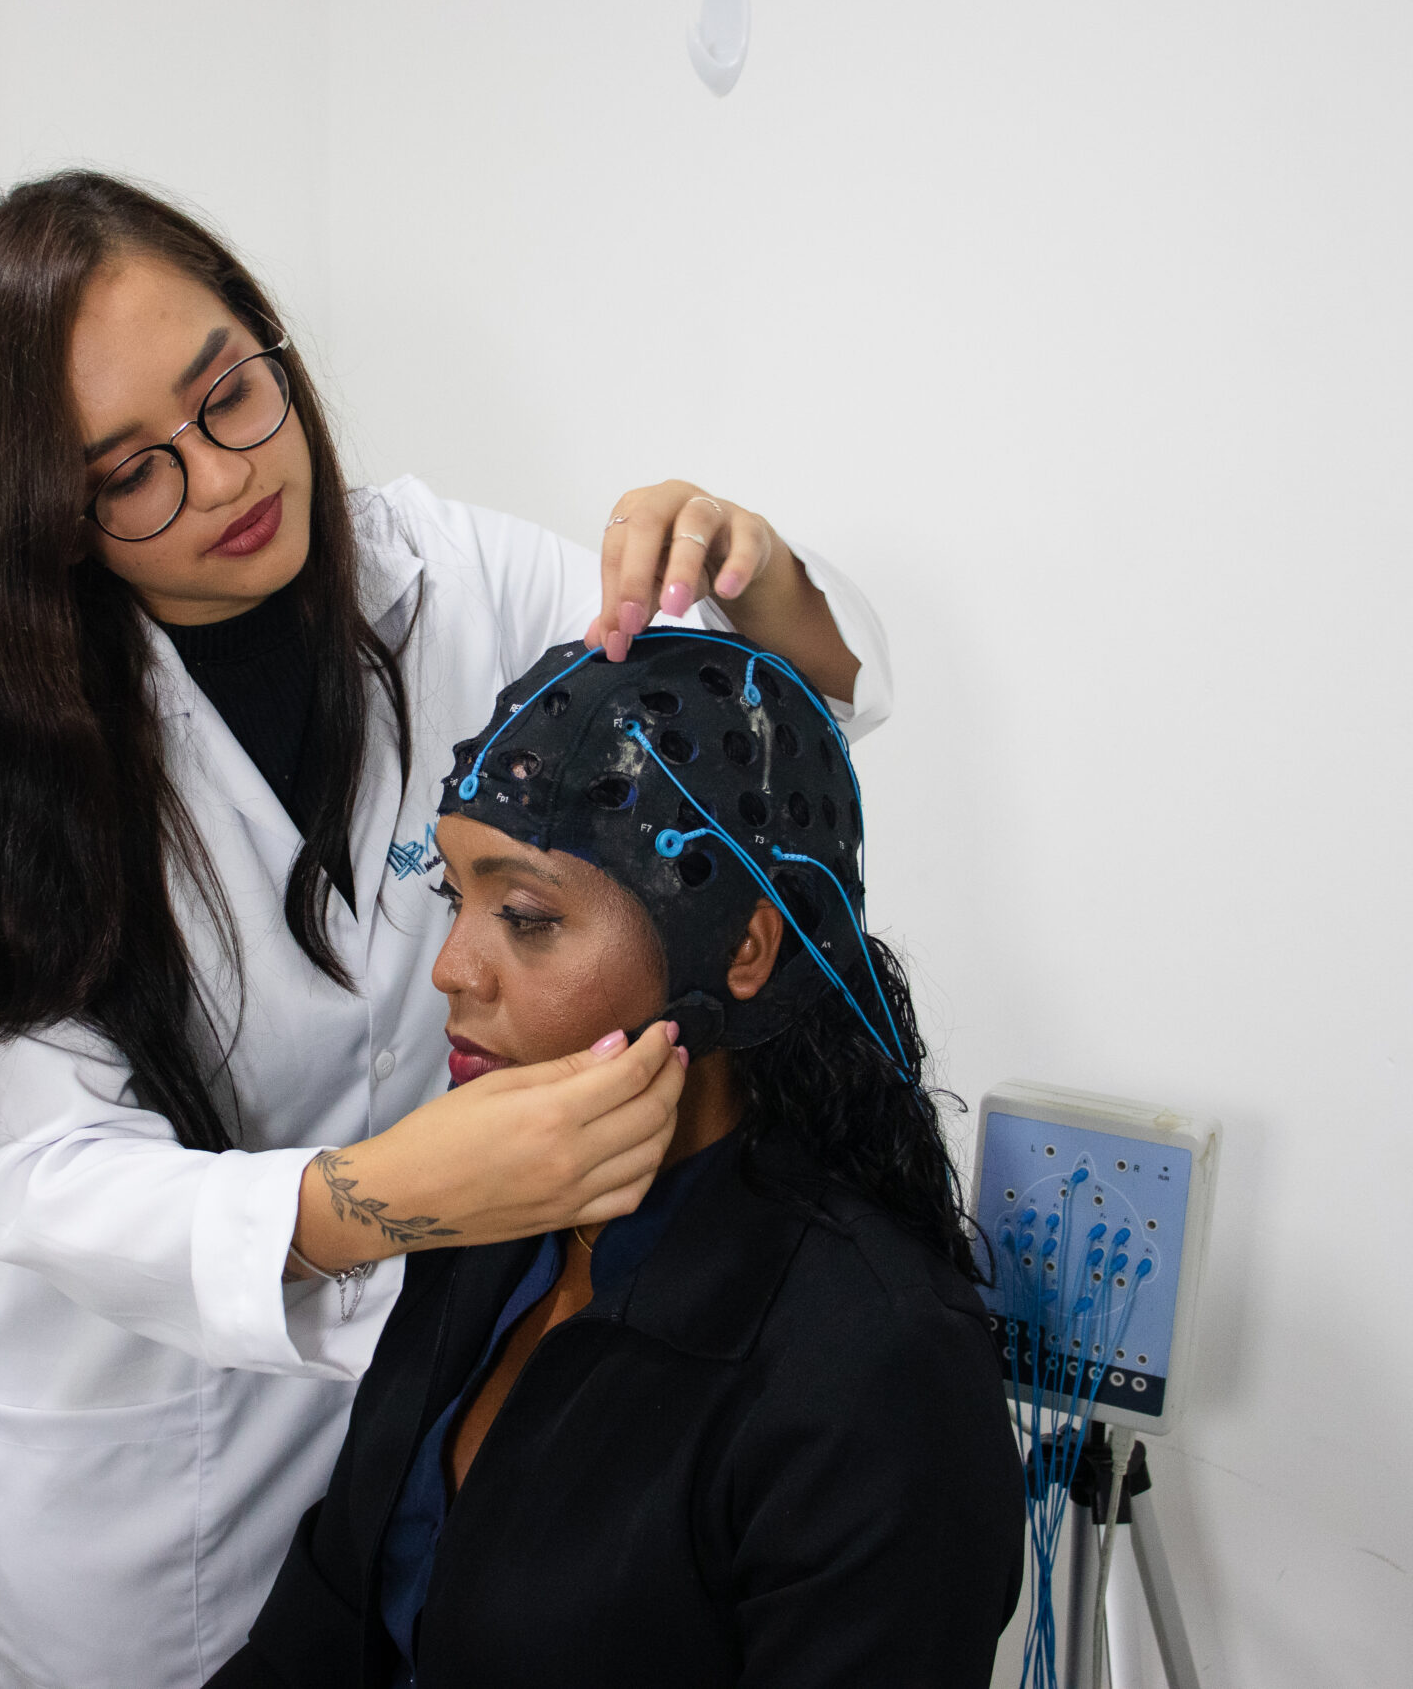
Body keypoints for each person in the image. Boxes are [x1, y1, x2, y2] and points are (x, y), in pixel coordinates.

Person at [0, 170, 898, 1689]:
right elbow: (56, 1179)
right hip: (148, 1476)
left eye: (229, 396)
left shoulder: (449, 578)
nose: (221, 478)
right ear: (40, 518)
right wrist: (387, 1198)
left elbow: (770, 713)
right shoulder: (2, 764)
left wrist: (753, 566)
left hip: (420, 1408)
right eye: (131, 473)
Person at [213, 631, 1023, 1688]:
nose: (451, 969)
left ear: (743, 948)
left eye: (526, 917)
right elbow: (320, 1635)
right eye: (454, 898)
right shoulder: (489, 1217)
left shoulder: (879, 1370)